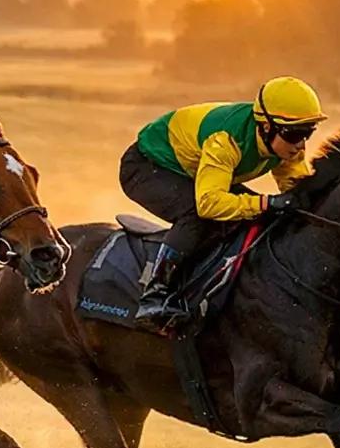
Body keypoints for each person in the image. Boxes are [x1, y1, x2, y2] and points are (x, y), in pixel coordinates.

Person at [119, 76, 326, 324]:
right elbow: (208, 203)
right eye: (294, 134)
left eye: (308, 132)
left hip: (194, 170)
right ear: (267, 127)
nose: (301, 144)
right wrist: (265, 202)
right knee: (197, 214)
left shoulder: (284, 145)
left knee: (260, 214)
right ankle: (154, 294)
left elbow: (299, 193)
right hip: (146, 166)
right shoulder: (226, 140)